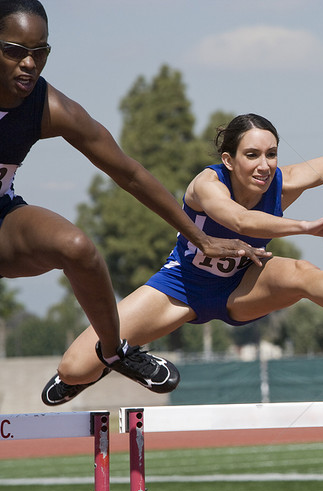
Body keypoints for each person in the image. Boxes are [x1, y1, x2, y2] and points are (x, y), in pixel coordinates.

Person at [42, 90, 323, 405]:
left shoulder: (282, 182)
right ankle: (118, 358)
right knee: (74, 368)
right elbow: (240, 221)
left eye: (272, 154)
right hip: (182, 287)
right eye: (252, 155)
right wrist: (305, 225)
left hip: (244, 286)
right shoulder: (206, 186)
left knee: (301, 275)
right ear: (229, 160)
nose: (264, 165)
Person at [0, 0, 270, 396]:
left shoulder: (50, 107)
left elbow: (129, 173)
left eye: (40, 53)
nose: (29, 63)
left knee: (78, 248)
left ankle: (113, 352)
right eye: (15, 51)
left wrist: (201, 239)